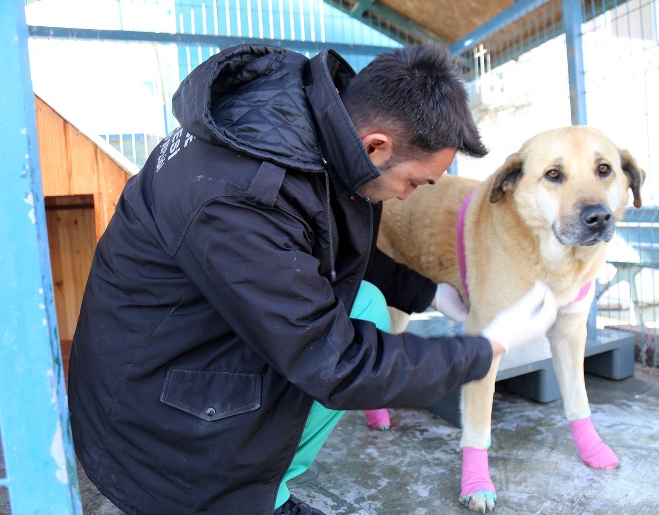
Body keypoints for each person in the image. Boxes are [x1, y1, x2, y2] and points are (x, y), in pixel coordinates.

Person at [68, 42, 557, 514]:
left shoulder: (307, 127)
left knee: (362, 302)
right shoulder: (242, 197)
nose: (409, 196)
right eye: (414, 181)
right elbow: (334, 361)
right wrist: (485, 347)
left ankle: (268, 484)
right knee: (334, 347)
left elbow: (321, 252)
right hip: (150, 424)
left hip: (182, 338)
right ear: (376, 145)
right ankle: (237, 499)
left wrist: (428, 292)